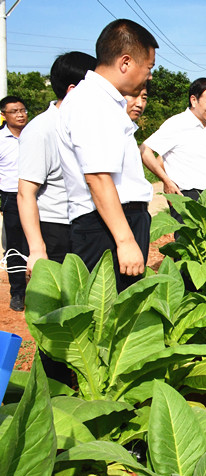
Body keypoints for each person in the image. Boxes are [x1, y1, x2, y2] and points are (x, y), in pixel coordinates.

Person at [57, 19, 158, 291]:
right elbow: (98, 177)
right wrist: (125, 241)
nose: (149, 76)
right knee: (106, 316)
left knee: (120, 314)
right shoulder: (93, 102)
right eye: (148, 67)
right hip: (106, 228)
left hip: (114, 223)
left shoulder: (105, 101)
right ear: (125, 63)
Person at [17, 52, 95, 384]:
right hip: (55, 233)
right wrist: (37, 250)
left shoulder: (86, 126)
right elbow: (25, 193)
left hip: (84, 227)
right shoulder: (42, 129)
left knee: (84, 310)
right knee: (57, 318)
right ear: (75, 89)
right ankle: (56, 390)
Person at [141, 77, 206, 223]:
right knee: (187, 244)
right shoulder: (178, 124)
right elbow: (145, 150)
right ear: (193, 100)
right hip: (187, 197)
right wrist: (167, 181)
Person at [0, 96, 29, 311]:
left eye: (22, 110)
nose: (20, 114)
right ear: (4, 115)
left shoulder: (34, 135)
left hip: (37, 197)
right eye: (14, 111)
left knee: (40, 243)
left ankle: (41, 289)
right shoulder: (1, 140)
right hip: (11, 198)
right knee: (15, 247)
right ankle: (18, 293)